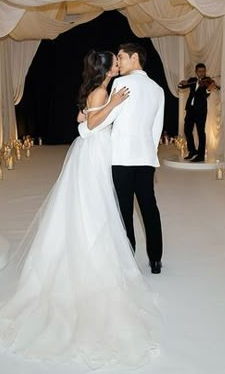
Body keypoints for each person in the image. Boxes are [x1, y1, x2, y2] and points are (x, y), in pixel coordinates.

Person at [0, 50, 160, 368]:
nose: (117, 63)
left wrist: (90, 116)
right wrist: (110, 106)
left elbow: (83, 120)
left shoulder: (101, 89)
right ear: (107, 68)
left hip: (93, 150)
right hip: (94, 152)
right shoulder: (103, 91)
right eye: (114, 60)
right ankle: (92, 257)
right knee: (95, 206)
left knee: (97, 206)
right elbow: (91, 124)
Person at [79, 43, 165, 274]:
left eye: (121, 57)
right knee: (149, 208)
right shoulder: (158, 89)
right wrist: (149, 152)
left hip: (121, 157)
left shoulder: (122, 83)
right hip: (146, 158)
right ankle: (155, 260)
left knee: (124, 210)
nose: (118, 62)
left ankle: (128, 258)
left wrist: (85, 128)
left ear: (134, 57)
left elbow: (106, 118)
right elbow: (157, 129)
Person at [178, 63, 217, 163]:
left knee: (201, 132)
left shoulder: (208, 81)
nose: (202, 73)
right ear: (196, 72)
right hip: (190, 109)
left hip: (200, 110)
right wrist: (182, 83)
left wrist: (208, 90)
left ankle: (200, 155)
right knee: (187, 130)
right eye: (200, 71)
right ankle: (192, 151)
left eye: (203, 71)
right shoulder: (192, 80)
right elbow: (181, 87)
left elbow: (206, 94)